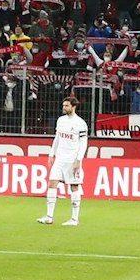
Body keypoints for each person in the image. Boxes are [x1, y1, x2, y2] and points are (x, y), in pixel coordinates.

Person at [39, 96, 89, 226]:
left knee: (74, 186)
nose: (64, 108)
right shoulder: (60, 120)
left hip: (72, 160)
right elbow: (57, 138)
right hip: (60, 159)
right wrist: (52, 154)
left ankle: (74, 219)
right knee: (52, 183)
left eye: (66, 106)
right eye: (63, 105)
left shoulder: (80, 123)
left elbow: (83, 143)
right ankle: (49, 216)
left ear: (73, 107)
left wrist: (79, 160)